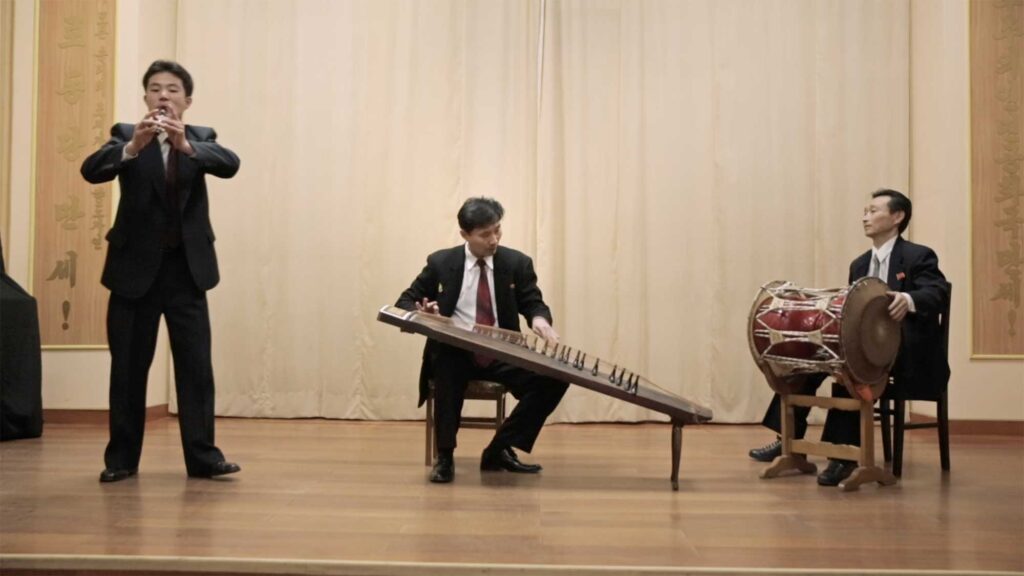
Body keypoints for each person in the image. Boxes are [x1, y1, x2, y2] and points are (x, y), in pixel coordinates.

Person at [81, 60, 241, 482]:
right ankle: (121, 461)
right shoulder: (123, 136)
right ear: (146, 98)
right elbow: (91, 170)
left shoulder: (201, 139)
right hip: (134, 274)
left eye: (173, 89)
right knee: (129, 370)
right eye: (155, 89)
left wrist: (186, 146)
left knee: (195, 369)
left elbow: (229, 164)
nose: (164, 96)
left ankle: (204, 459)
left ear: (187, 101)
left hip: (187, 273)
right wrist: (133, 147)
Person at [748, 189, 950, 486]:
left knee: (849, 368)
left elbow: (938, 293)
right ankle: (790, 442)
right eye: (865, 211)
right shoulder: (860, 264)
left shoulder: (918, 256)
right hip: (865, 349)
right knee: (808, 357)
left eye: (873, 210)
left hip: (905, 354)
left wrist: (907, 299)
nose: (865, 217)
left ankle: (843, 458)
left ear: (897, 217)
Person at [396, 197, 569, 484]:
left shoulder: (516, 263)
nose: (494, 239)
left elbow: (533, 302)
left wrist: (540, 320)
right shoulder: (442, 262)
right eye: (485, 234)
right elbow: (404, 301)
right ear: (465, 234)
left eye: (497, 230)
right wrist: (422, 312)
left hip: (501, 351)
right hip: (457, 349)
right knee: (447, 369)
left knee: (555, 377)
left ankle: (499, 449)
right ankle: (445, 457)